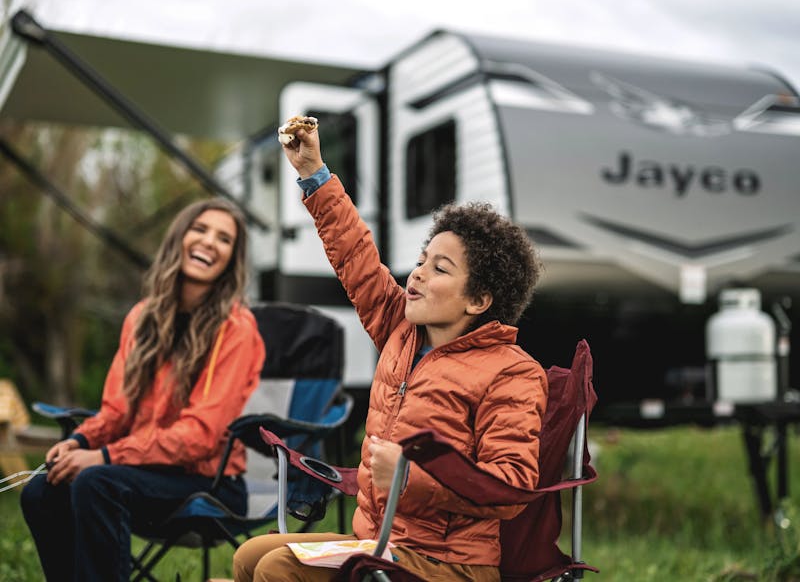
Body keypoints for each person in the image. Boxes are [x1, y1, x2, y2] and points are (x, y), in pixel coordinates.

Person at [232, 126, 547, 582]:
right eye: (422, 260)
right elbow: (356, 256)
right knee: (251, 555)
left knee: (281, 569)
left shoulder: (511, 373)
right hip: (380, 542)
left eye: (439, 268)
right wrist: (313, 174)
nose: (416, 274)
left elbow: (510, 487)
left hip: (449, 564)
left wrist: (409, 474)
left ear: (478, 301)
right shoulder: (402, 329)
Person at [21, 198, 266, 582]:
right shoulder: (141, 317)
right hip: (141, 469)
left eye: (224, 239)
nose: (209, 242)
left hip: (209, 482)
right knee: (40, 491)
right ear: (180, 239)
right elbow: (117, 410)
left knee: (96, 481)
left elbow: (200, 436)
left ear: (231, 260)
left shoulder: (236, 329)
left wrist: (105, 456)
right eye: (200, 229)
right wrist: (82, 442)